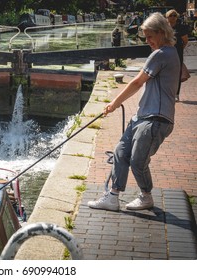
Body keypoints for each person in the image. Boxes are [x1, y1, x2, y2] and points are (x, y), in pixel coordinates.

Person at [88, 12, 180, 211]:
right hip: (142, 116)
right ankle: (112, 197)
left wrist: (113, 104)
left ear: (162, 32)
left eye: (149, 37)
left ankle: (146, 196)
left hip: (156, 119)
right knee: (121, 152)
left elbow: (137, 82)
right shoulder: (167, 54)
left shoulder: (162, 54)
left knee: (138, 161)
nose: (147, 41)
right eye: (145, 37)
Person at [166, 9, 189, 101]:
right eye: (171, 15)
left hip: (177, 52)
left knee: (177, 73)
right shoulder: (164, 28)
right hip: (166, 52)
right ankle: (168, 92)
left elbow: (185, 41)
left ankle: (176, 93)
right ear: (167, 17)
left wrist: (180, 48)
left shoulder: (181, 28)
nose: (173, 17)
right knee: (166, 72)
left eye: (174, 15)